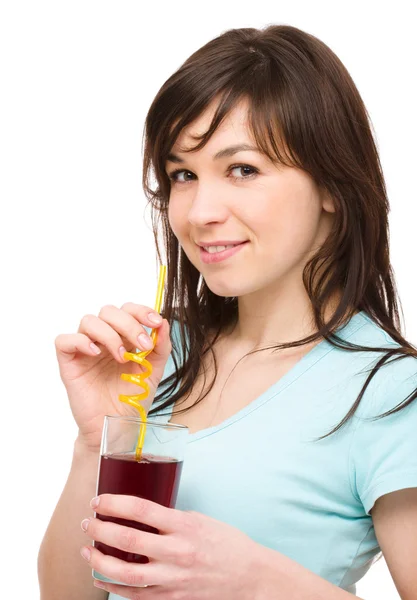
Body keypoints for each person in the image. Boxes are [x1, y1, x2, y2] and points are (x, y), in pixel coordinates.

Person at [38, 24, 417, 600]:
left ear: (332, 186)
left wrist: (257, 580)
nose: (200, 211)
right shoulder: (156, 359)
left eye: (242, 169)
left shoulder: (390, 393)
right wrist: (96, 444)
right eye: (182, 175)